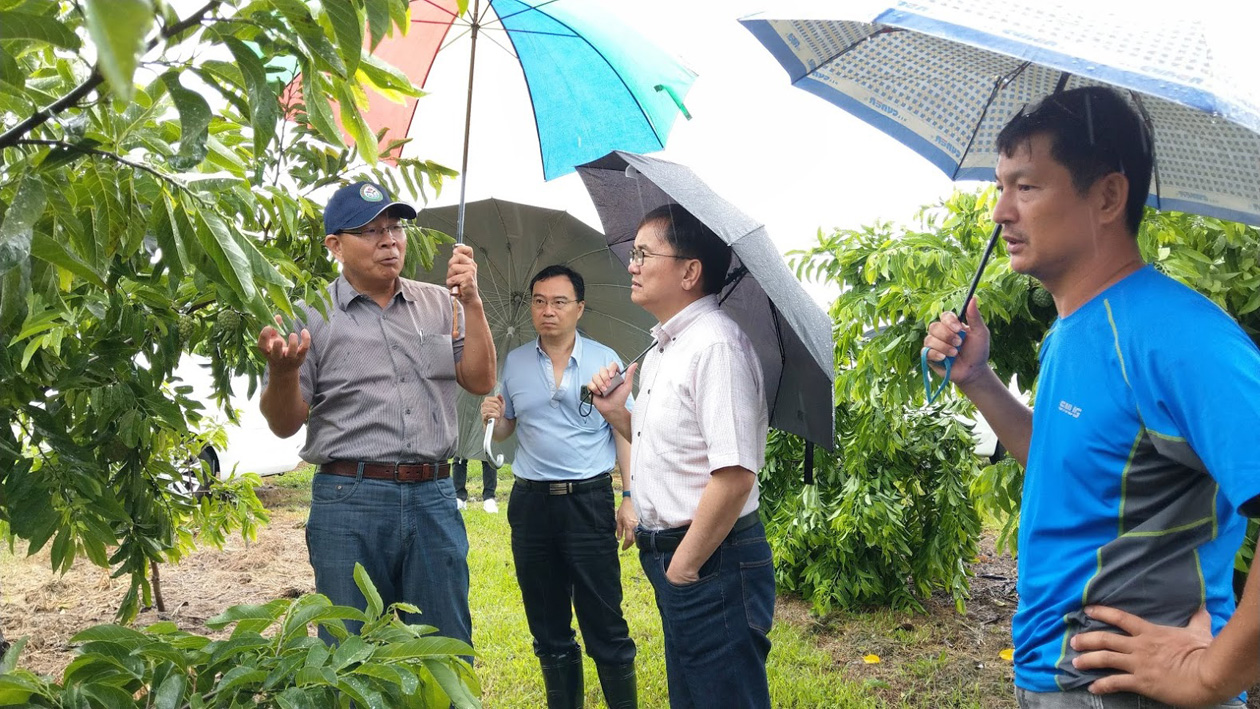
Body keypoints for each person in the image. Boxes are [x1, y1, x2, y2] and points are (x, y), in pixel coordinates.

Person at [922, 86, 1260, 708]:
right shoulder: (1073, 332)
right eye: (1000, 186)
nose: (1000, 211)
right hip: (1054, 679)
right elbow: (1070, 468)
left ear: (1107, 196)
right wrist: (979, 380)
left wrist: (1214, 675)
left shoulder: (1177, 336)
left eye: (1025, 187)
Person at [257, 181, 496, 648]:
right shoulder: (309, 316)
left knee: (443, 647)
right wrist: (284, 374)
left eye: (395, 227)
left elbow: (481, 380)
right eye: (370, 231)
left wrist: (472, 301)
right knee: (350, 650)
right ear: (335, 245)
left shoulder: (439, 303)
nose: (389, 240)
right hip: (350, 499)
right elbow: (284, 423)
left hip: (433, 496)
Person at [587, 205, 774, 709]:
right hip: (680, 556)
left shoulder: (716, 345)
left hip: (710, 560)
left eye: (644, 254)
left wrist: (683, 569)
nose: (632, 265)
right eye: (634, 254)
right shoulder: (669, 346)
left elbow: (734, 474)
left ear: (690, 272)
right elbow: (668, 445)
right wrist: (615, 413)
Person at [480, 264, 638, 709]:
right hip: (531, 505)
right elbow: (510, 429)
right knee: (548, 628)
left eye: (559, 302)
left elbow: (624, 432)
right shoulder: (514, 362)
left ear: (579, 308)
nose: (547, 311)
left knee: (604, 622)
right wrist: (496, 417)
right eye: (539, 301)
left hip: (588, 501)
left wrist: (628, 498)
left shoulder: (607, 362)